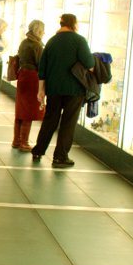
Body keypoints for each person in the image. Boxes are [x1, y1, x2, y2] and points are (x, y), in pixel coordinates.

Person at [30, 13, 95, 168]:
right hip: (74, 89)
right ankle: (60, 157)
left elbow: (42, 68)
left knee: (50, 120)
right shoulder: (79, 41)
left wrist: (41, 90)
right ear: (74, 23)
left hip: (53, 88)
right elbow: (90, 63)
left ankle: (38, 150)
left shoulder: (51, 42)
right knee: (68, 123)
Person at [12, 19, 45, 151]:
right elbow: (41, 64)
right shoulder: (37, 45)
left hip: (22, 76)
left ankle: (16, 140)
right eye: (42, 31)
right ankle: (24, 142)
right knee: (29, 111)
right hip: (32, 78)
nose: (43, 33)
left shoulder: (24, 42)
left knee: (20, 109)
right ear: (38, 31)